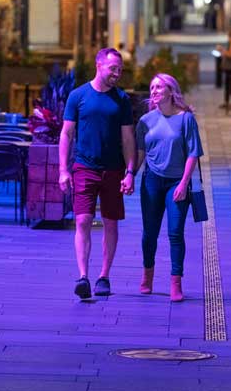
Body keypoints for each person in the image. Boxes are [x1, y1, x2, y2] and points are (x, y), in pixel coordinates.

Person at [59, 47, 137, 299]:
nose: (117, 73)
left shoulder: (121, 99)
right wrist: (63, 170)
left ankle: (104, 276)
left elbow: (128, 138)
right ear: (99, 65)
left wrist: (130, 172)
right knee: (82, 220)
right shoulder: (78, 96)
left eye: (120, 70)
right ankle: (83, 276)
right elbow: (66, 134)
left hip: (113, 169)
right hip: (84, 167)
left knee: (110, 222)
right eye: (113, 68)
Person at [134, 73, 204, 302]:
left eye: (158, 87)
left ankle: (176, 282)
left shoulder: (186, 119)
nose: (153, 91)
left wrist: (183, 183)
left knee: (175, 232)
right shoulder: (145, 121)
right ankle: (147, 275)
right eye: (152, 87)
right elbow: (140, 153)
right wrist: (129, 175)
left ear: (171, 91)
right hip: (152, 182)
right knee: (149, 233)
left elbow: (193, 154)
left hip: (177, 183)